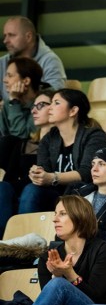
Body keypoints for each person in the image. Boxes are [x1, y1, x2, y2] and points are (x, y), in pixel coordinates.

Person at [21, 195, 106, 305]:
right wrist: (57, 274)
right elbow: (50, 303)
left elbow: (96, 296)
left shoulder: (103, 250)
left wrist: (69, 274)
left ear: (80, 216)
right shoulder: (48, 256)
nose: (55, 219)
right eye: (55, 214)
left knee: (58, 284)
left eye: (62, 214)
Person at [19, 88, 106, 213]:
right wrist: (37, 174)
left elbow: (87, 173)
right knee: (30, 189)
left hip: (83, 196)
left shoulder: (94, 136)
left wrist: (53, 178)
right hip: (54, 194)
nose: (50, 108)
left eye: (56, 103)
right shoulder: (49, 138)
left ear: (73, 111)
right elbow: (43, 168)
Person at [0, 89, 54, 237]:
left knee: (31, 190)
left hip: (46, 192)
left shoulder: (61, 144)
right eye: (33, 106)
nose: (34, 111)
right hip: (21, 191)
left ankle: (22, 244)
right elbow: (9, 180)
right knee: (2, 187)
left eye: (41, 105)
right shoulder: (23, 144)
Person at [1, 16, 66, 101]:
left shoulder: (50, 61)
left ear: (28, 37)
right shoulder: (2, 62)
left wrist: (17, 99)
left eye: (11, 35)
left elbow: (55, 99)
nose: (5, 41)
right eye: (5, 36)